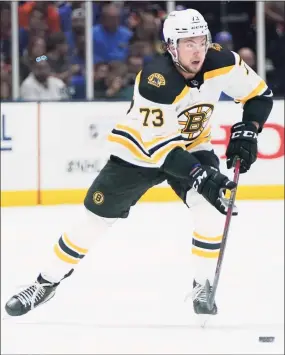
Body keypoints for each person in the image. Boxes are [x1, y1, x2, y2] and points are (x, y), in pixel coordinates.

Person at [6, 9, 273, 318]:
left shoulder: (222, 61)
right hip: (139, 151)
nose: (198, 50)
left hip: (191, 145)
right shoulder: (155, 80)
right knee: (93, 221)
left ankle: (203, 284)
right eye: (188, 43)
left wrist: (249, 128)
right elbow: (160, 149)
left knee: (209, 208)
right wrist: (199, 174)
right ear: (171, 46)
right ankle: (44, 283)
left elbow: (259, 96)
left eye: (202, 41)